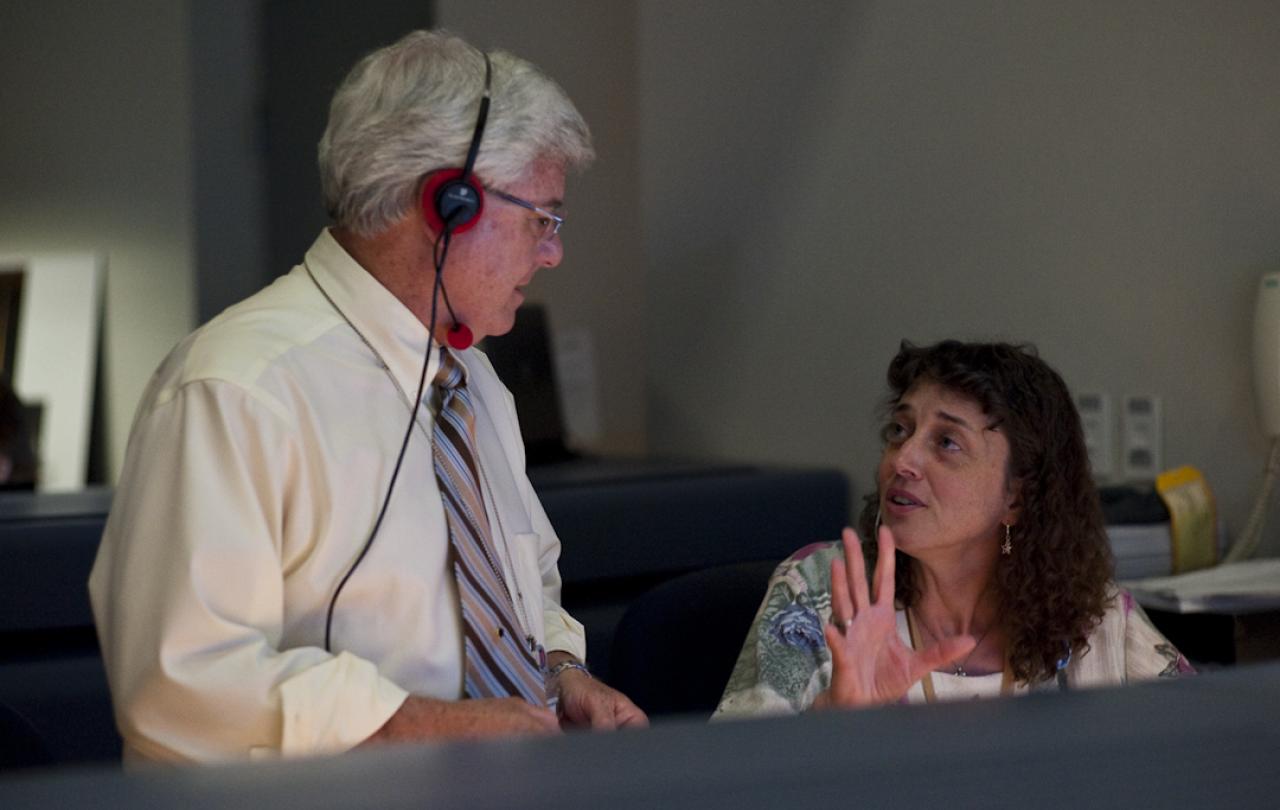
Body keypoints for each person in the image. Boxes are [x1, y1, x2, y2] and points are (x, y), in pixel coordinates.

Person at [90, 29, 645, 763]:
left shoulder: (471, 379)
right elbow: (180, 682)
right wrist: (411, 726)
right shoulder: (235, 391)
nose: (553, 251)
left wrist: (559, 669)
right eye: (541, 217)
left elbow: (526, 588)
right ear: (449, 205)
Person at [715, 340, 1192, 716]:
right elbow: (728, 784)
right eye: (900, 431)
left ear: (1017, 496)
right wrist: (831, 724)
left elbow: (1213, 754)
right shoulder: (821, 591)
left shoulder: (1093, 620)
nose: (902, 460)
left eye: (946, 442)